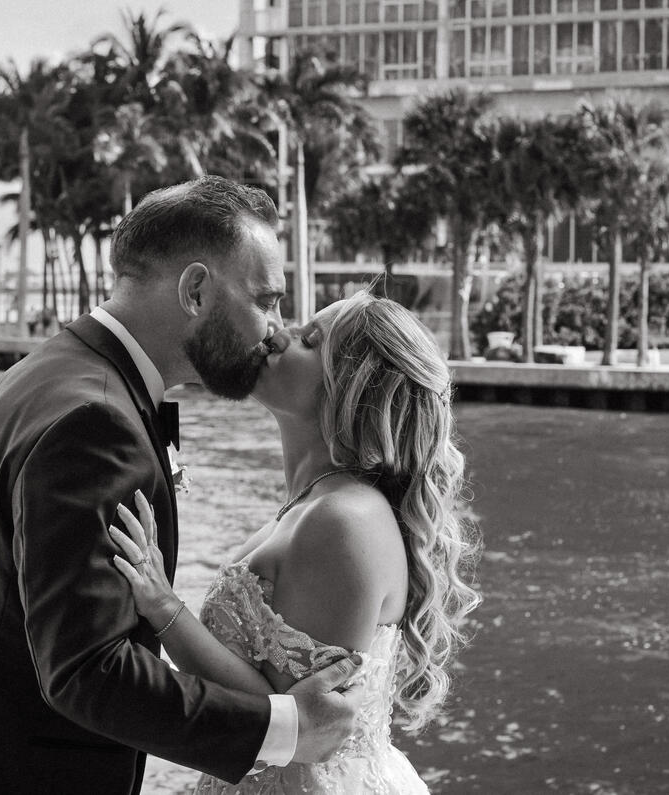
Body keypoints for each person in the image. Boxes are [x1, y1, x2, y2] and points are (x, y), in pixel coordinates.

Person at [0, 176, 366, 795]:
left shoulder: (44, 377)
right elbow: (85, 669)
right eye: (266, 299)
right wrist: (284, 728)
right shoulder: (96, 423)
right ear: (196, 290)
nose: (274, 327)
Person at [109, 291, 483, 793]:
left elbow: (293, 727)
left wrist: (164, 608)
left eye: (310, 341)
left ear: (351, 388)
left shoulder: (341, 521)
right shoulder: (313, 506)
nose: (278, 335)